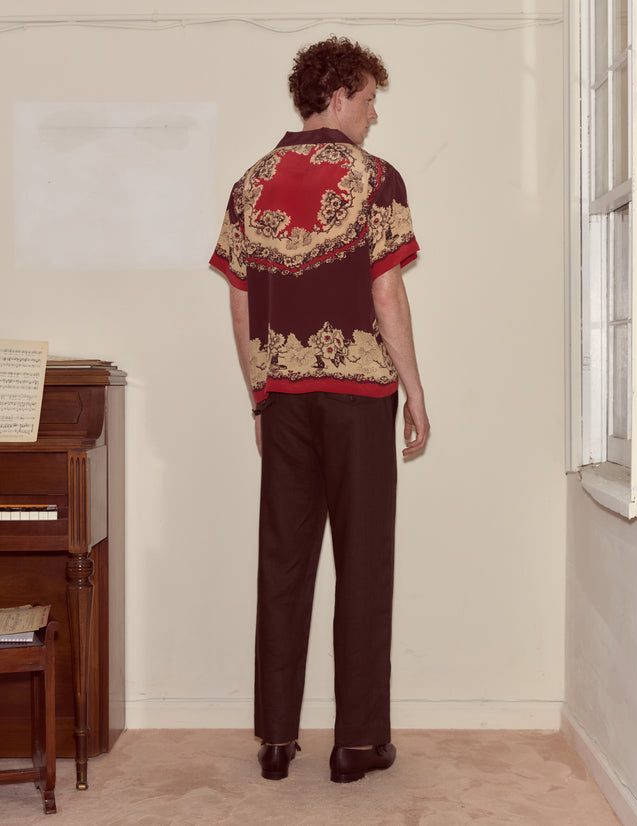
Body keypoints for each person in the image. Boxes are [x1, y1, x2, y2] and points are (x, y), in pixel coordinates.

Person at [209, 35, 430, 784]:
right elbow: (386, 292)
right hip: (363, 394)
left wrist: (259, 397)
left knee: (284, 562)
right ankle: (357, 743)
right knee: (363, 562)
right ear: (337, 96)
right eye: (369, 100)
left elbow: (240, 303)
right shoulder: (377, 179)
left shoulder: (249, 183)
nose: (373, 117)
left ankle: (276, 740)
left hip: (287, 400)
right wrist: (418, 394)